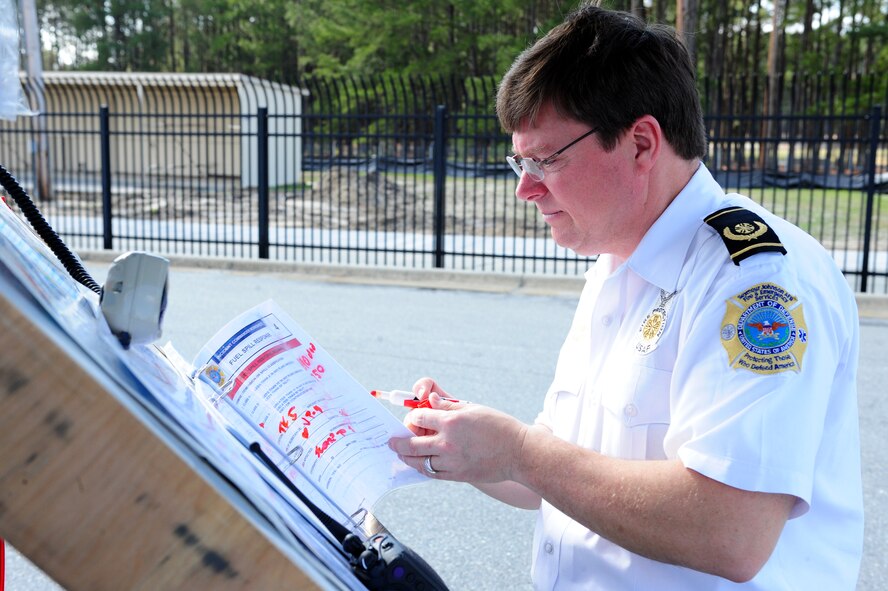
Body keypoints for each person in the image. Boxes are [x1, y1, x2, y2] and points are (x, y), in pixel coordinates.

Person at [388, 4, 864, 590]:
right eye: (520, 161)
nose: (525, 189)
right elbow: (555, 475)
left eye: (546, 160)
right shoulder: (619, 259)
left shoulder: (756, 280)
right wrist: (465, 441)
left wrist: (519, 452)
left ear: (641, 143)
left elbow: (731, 532)